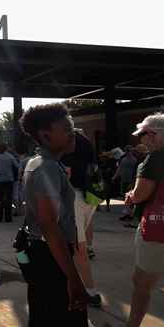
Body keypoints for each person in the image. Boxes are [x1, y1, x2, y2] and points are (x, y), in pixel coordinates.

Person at [19, 103, 89, 327]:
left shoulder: (37, 163)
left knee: (41, 325)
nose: (73, 133)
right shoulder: (46, 168)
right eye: (67, 128)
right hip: (51, 260)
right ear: (45, 135)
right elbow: (50, 227)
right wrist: (73, 278)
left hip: (42, 256)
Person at [105, 113, 164, 327]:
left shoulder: (155, 158)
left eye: (142, 135)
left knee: (142, 284)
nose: (141, 140)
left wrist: (131, 196)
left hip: (158, 229)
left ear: (153, 135)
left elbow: (142, 193)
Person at [61, 129, 102, 307]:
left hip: (75, 197)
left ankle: (90, 292)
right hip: (89, 196)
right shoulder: (85, 140)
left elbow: (65, 171)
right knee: (76, 244)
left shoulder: (67, 140)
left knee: (79, 248)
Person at [0, 143, 19, 223]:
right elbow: (17, 166)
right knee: (8, 199)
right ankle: (8, 218)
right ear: (6, 148)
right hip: (9, 180)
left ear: (0, 149)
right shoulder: (10, 156)